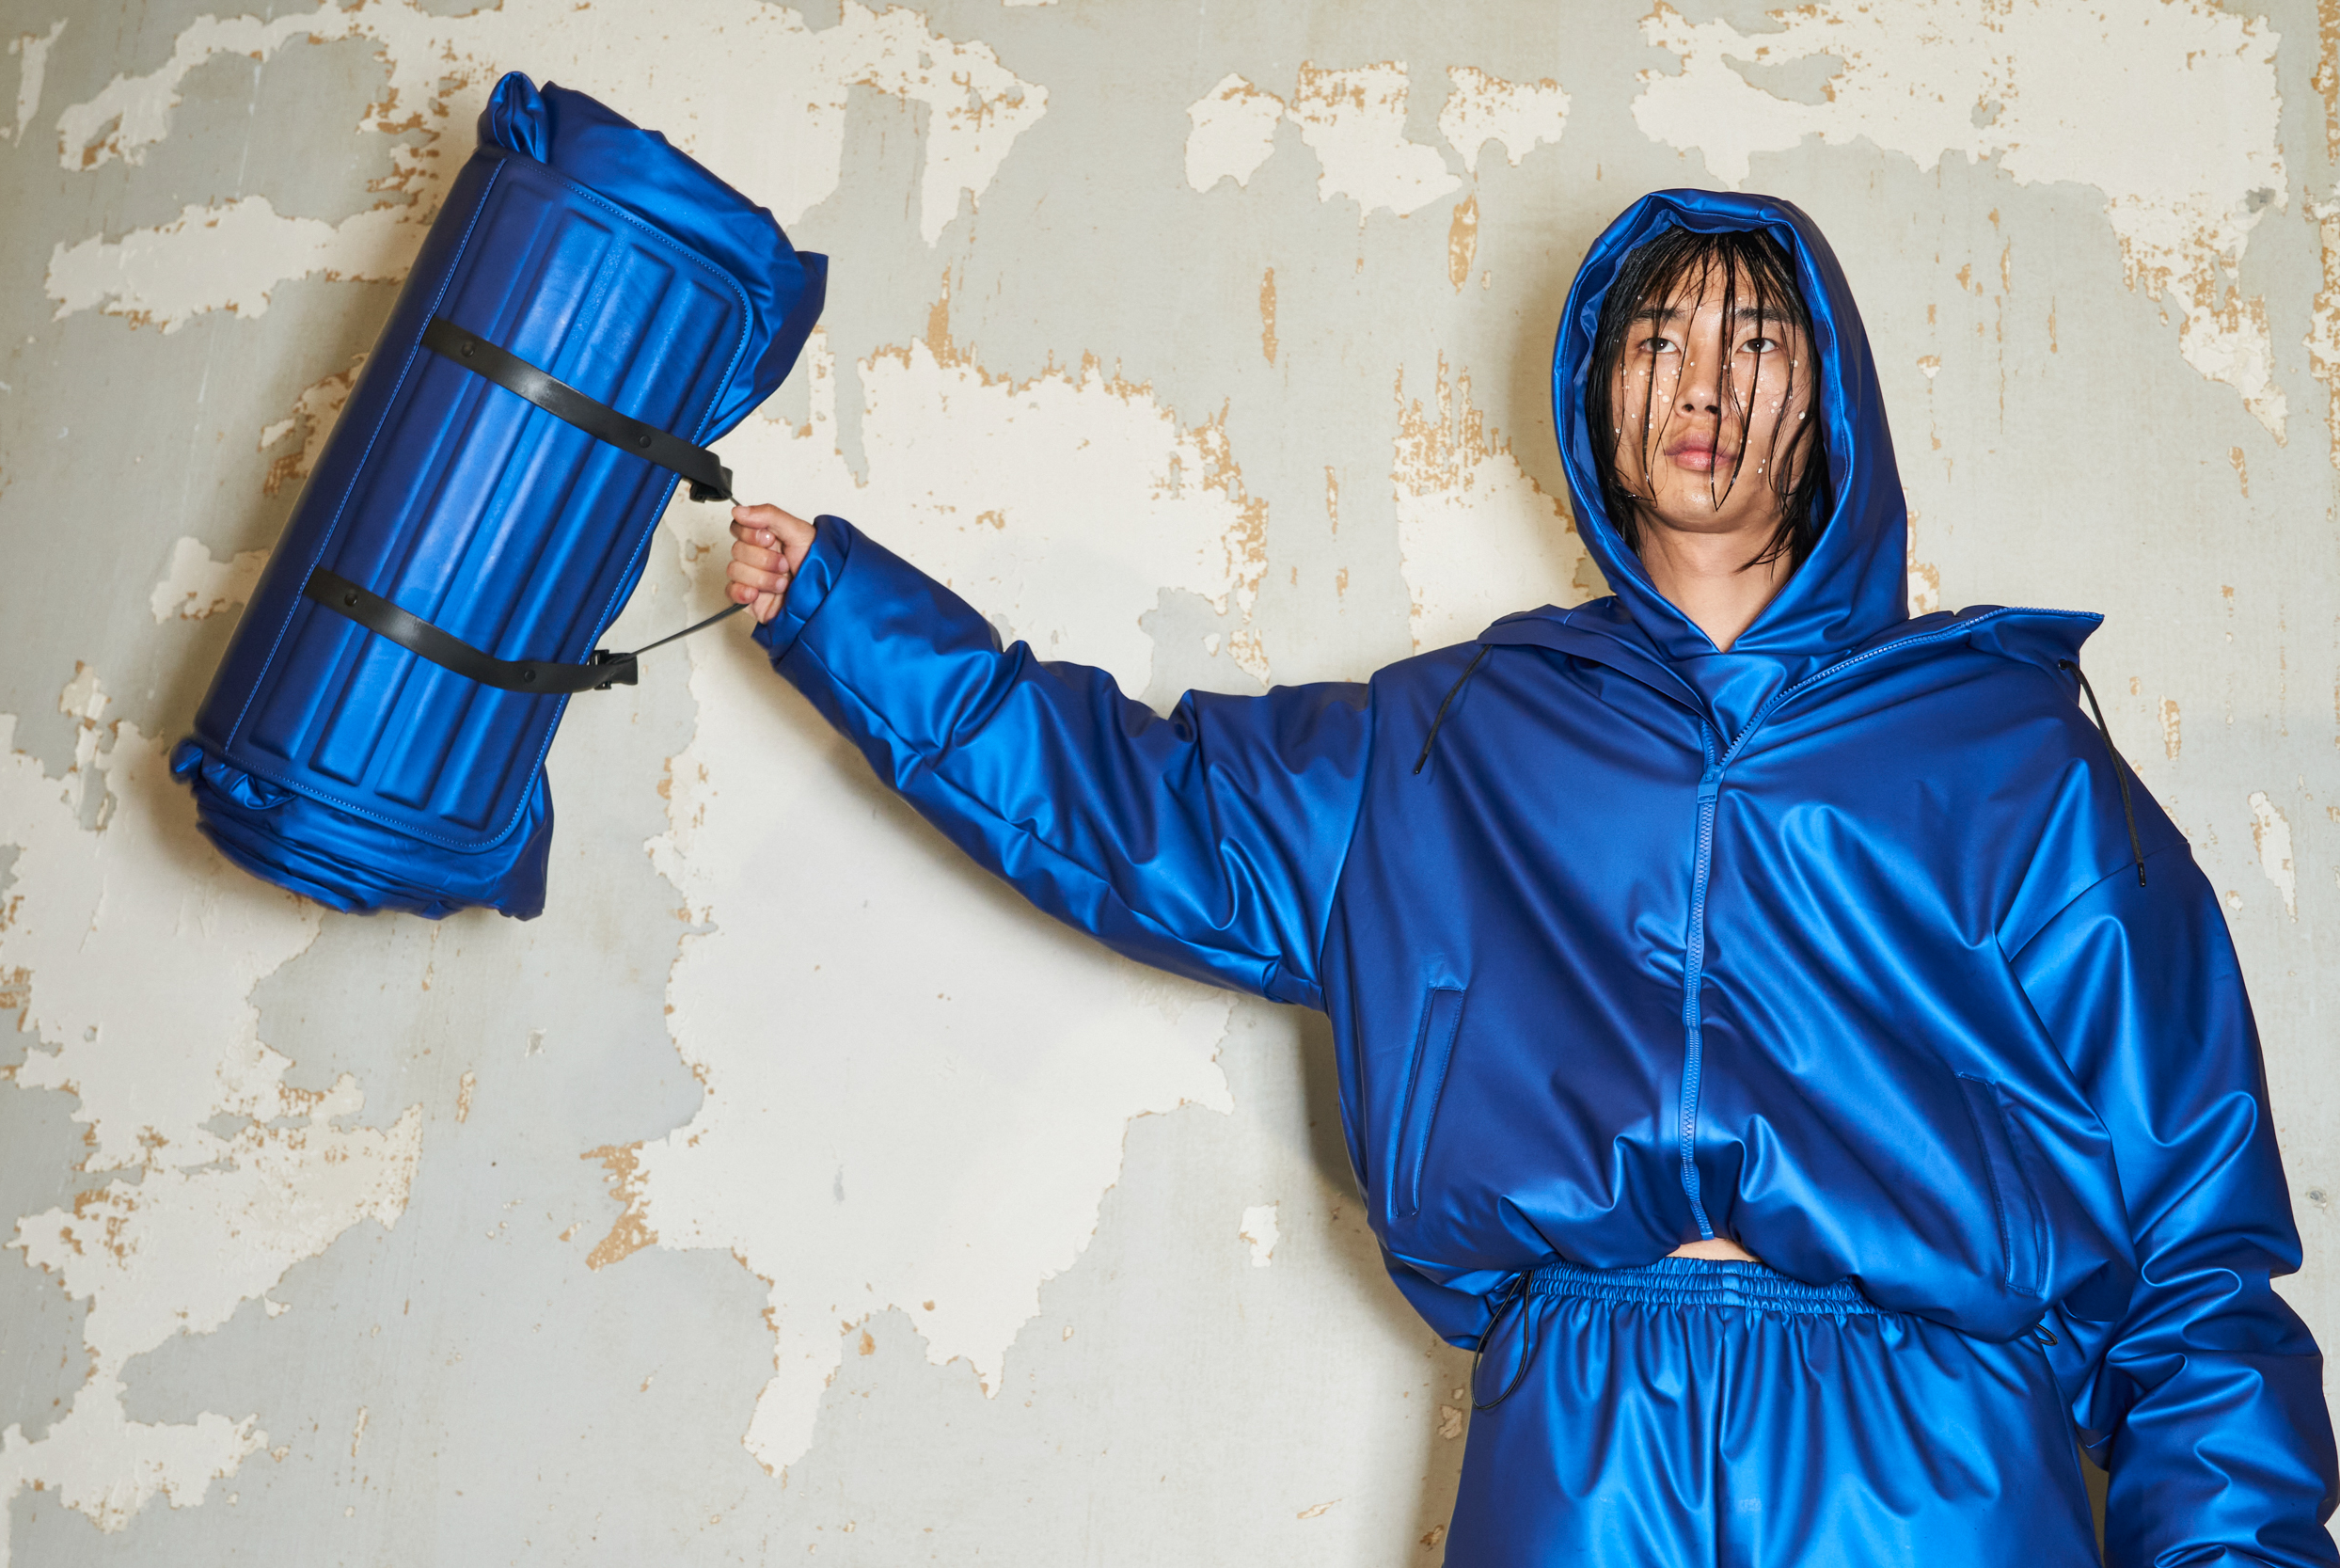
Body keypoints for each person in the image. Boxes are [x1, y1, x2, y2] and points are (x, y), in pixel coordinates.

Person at [722, 190, 2337, 1563]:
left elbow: (2195, 1228)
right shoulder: (1457, 738)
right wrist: (850, 620)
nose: (1702, 383)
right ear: (1595, 392)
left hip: (1930, 1452)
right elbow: (1132, 810)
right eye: (1657, 341)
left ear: (1831, 391)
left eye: (1756, 343)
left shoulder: (2009, 754)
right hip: (1585, 1441)